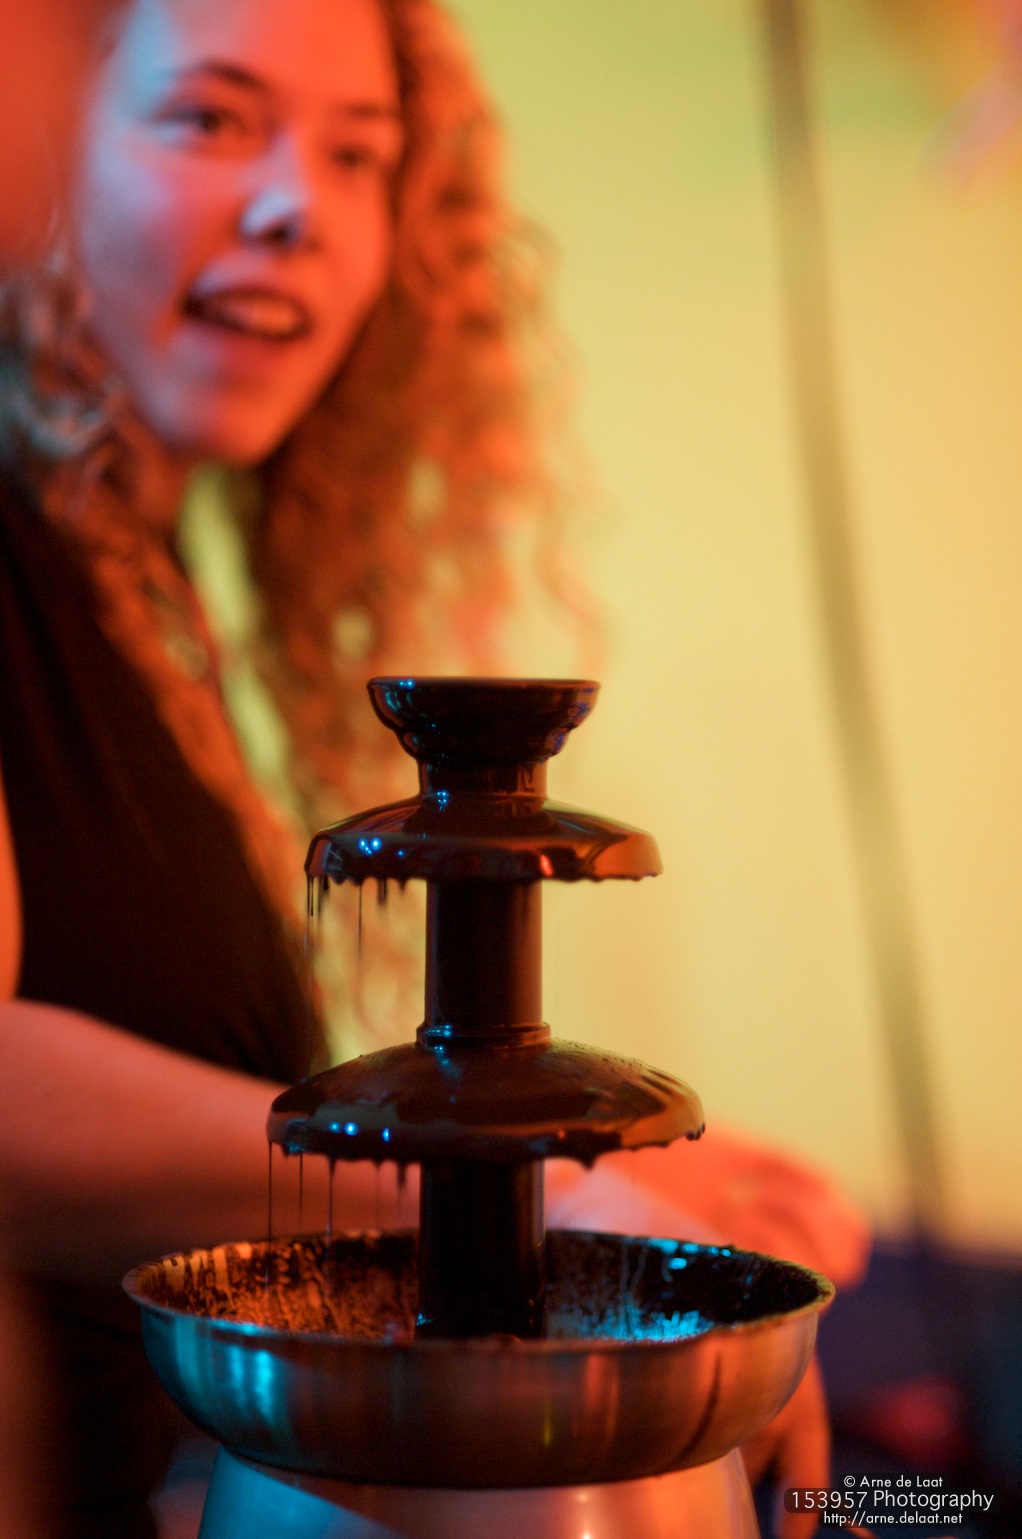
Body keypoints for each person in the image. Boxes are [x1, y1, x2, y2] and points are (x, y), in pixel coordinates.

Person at [0, 1, 867, 1535]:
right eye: (210, 118)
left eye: (360, 155)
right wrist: (532, 1204)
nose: (298, 205)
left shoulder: (148, 595)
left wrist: (654, 1195)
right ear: (45, 125)